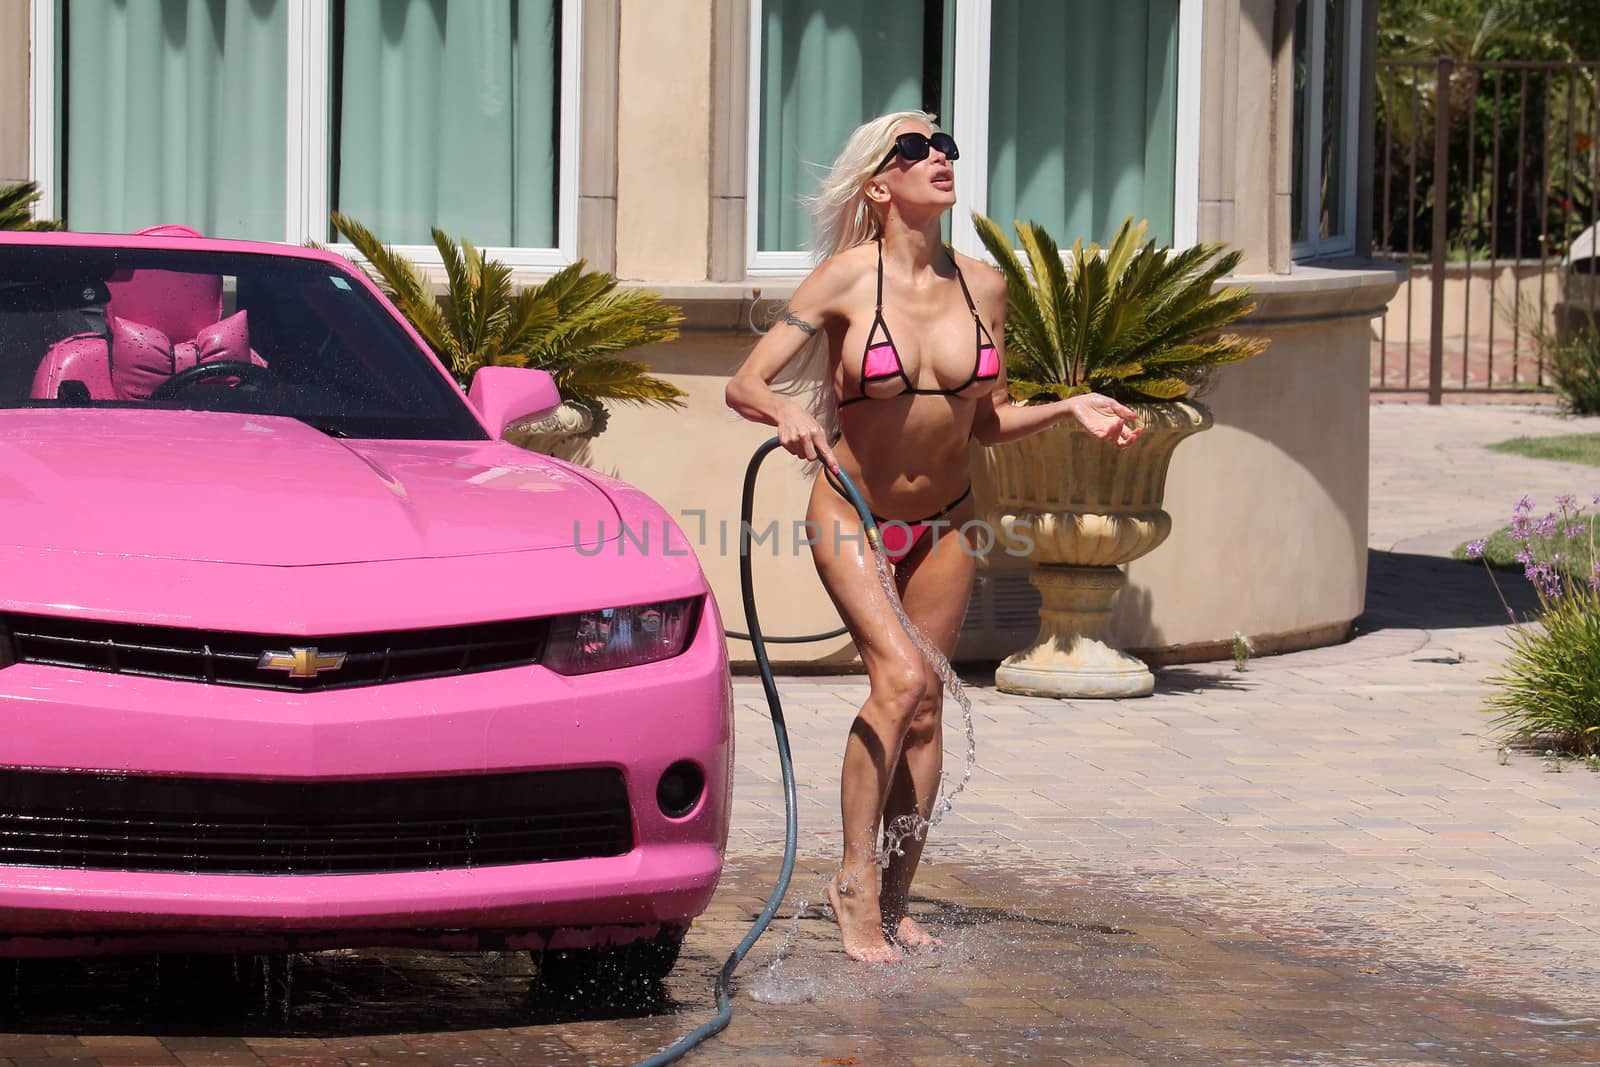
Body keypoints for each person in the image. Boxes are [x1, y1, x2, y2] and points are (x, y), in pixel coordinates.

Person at [725, 111, 1141, 964]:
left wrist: (1068, 406)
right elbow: (746, 382)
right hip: (852, 510)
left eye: (946, 145)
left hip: (951, 517)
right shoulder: (842, 280)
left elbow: (985, 422)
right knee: (901, 675)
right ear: (880, 185)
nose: (939, 157)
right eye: (915, 149)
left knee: (924, 709)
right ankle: (852, 882)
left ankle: (899, 891)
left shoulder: (985, 286)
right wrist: (788, 411)